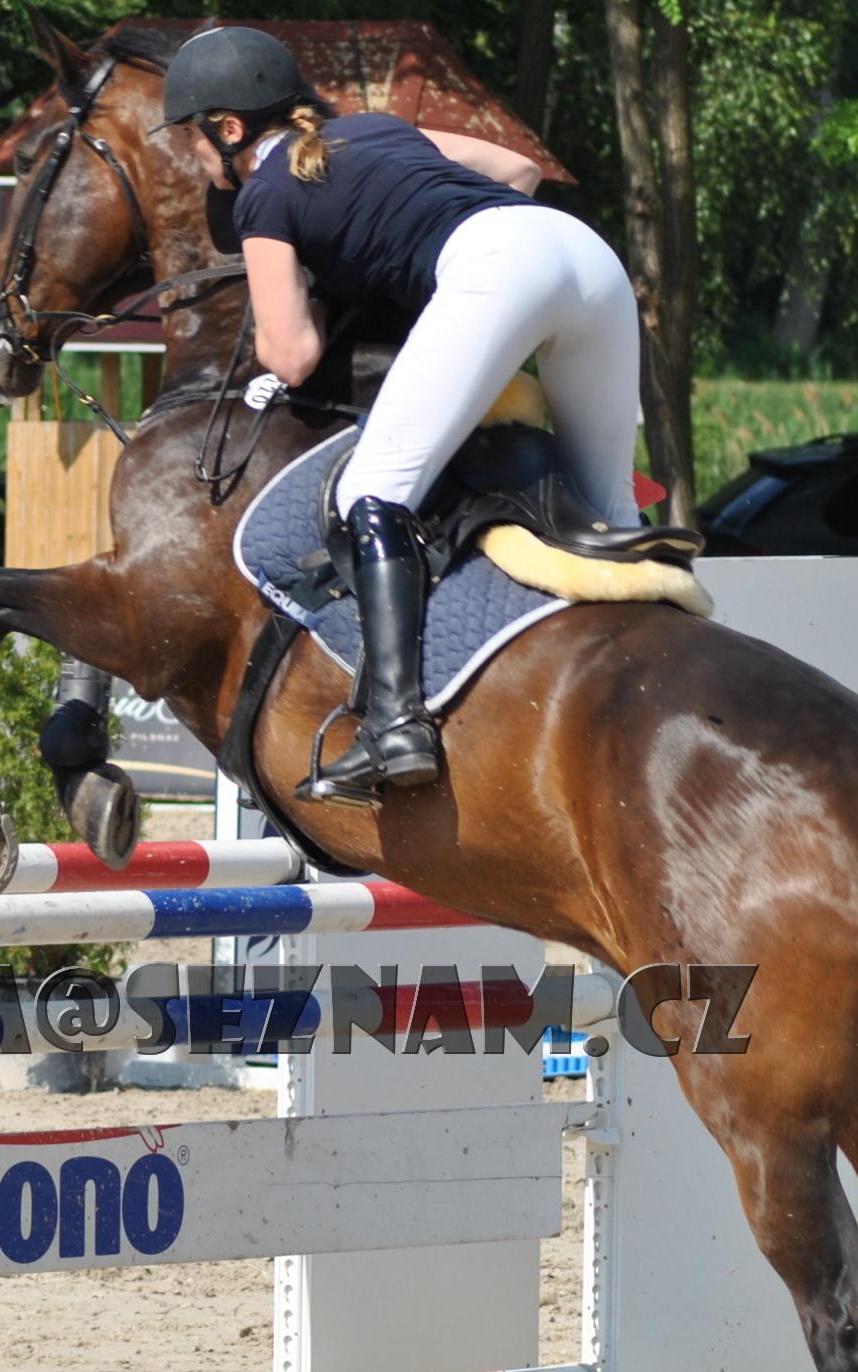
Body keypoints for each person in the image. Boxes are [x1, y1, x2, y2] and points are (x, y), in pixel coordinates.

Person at [160, 25, 684, 800]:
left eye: (189, 136)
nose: (189, 153)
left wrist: (319, 302)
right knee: (608, 514)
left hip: (497, 267)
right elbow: (519, 170)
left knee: (369, 494)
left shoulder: (264, 195)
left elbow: (292, 354)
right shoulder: (374, 127)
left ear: (229, 129)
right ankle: (666, 684)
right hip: (586, 258)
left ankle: (395, 725)